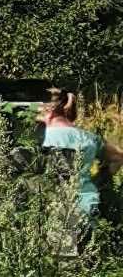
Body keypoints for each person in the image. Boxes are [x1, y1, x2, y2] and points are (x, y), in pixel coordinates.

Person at [39, 85, 116, 228]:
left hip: (57, 207)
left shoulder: (44, 138)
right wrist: (99, 180)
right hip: (88, 202)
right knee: (87, 248)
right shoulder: (89, 138)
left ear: (48, 110)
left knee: (62, 249)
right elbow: (118, 157)